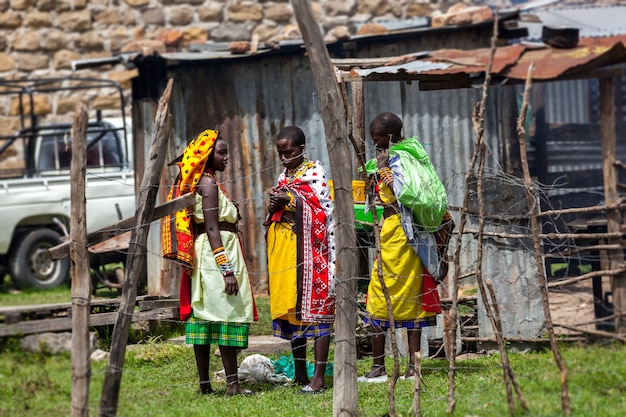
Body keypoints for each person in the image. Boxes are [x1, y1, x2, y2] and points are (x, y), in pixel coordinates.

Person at [162, 129, 256, 396]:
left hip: (206, 252)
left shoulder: (205, 182)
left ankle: (205, 385)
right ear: (206, 155)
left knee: (203, 316)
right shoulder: (209, 184)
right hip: (217, 253)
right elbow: (213, 229)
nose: (226, 158)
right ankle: (233, 385)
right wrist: (227, 271)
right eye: (221, 152)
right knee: (225, 312)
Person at [359, 112, 444, 383]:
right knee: (381, 293)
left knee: (407, 295)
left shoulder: (401, 158)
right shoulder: (402, 156)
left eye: (378, 139)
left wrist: (385, 170)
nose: (375, 145)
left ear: (391, 137)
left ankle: (409, 366)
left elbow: (406, 193)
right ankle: (381, 366)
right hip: (391, 234)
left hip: (403, 235)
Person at [265, 126, 335, 394]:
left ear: (302, 149)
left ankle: (318, 379)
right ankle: (301, 375)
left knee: (317, 315)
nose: (284, 158)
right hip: (288, 253)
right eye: (280, 153)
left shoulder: (315, 173)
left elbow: (322, 210)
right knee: (294, 314)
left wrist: (291, 200)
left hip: (314, 253)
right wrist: (275, 205)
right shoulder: (285, 176)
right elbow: (282, 208)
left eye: (289, 152)